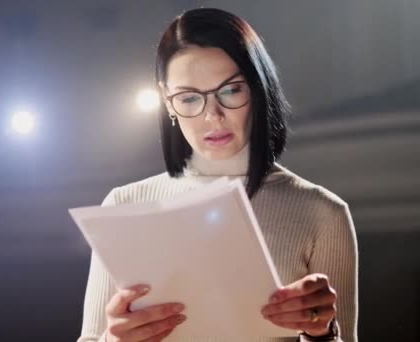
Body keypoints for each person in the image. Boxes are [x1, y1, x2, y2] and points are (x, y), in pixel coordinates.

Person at [77, 8, 358, 342]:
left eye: (231, 90)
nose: (213, 115)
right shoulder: (124, 205)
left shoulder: (322, 213)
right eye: (189, 97)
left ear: (258, 88)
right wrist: (115, 339)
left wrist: (320, 333)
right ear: (168, 101)